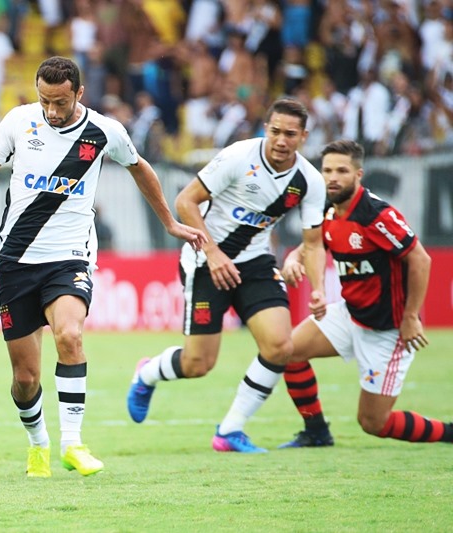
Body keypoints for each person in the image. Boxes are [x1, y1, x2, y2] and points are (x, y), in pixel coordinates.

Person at [0, 56, 206, 478]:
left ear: (79, 94)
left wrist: (170, 222)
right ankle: (39, 444)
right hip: (16, 261)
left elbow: (142, 169)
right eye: (45, 100)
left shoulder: (104, 131)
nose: (51, 111)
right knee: (26, 378)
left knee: (70, 334)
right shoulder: (19, 122)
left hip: (70, 257)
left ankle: (72, 443)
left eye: (60, 102)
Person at [126, 97, 328, 453]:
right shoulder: (238, 157)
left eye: (290, 134)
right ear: (266, 129)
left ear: (304, 136)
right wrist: (213, 253)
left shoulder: (309, 181)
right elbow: (186, 201)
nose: (282, 140)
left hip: (255, 264)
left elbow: (313, 243)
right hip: (206, 262)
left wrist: (319, 289)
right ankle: (147, 373)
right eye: (276, 131)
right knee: (198, 363)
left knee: (281, 346)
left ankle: (230, 430)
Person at [278, 139, 453, 448]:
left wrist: (411, 316)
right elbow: (312, 244)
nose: (332, 177)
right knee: (288, 352)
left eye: (341, 171)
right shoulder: (328, 209)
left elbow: (420, 259)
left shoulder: (376, 215)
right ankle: (317, 431)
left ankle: (451, 433)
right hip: (351, 313)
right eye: (327, 170)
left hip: (387, 328)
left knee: (374, 422)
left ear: (359, 174)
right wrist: (293, 258)